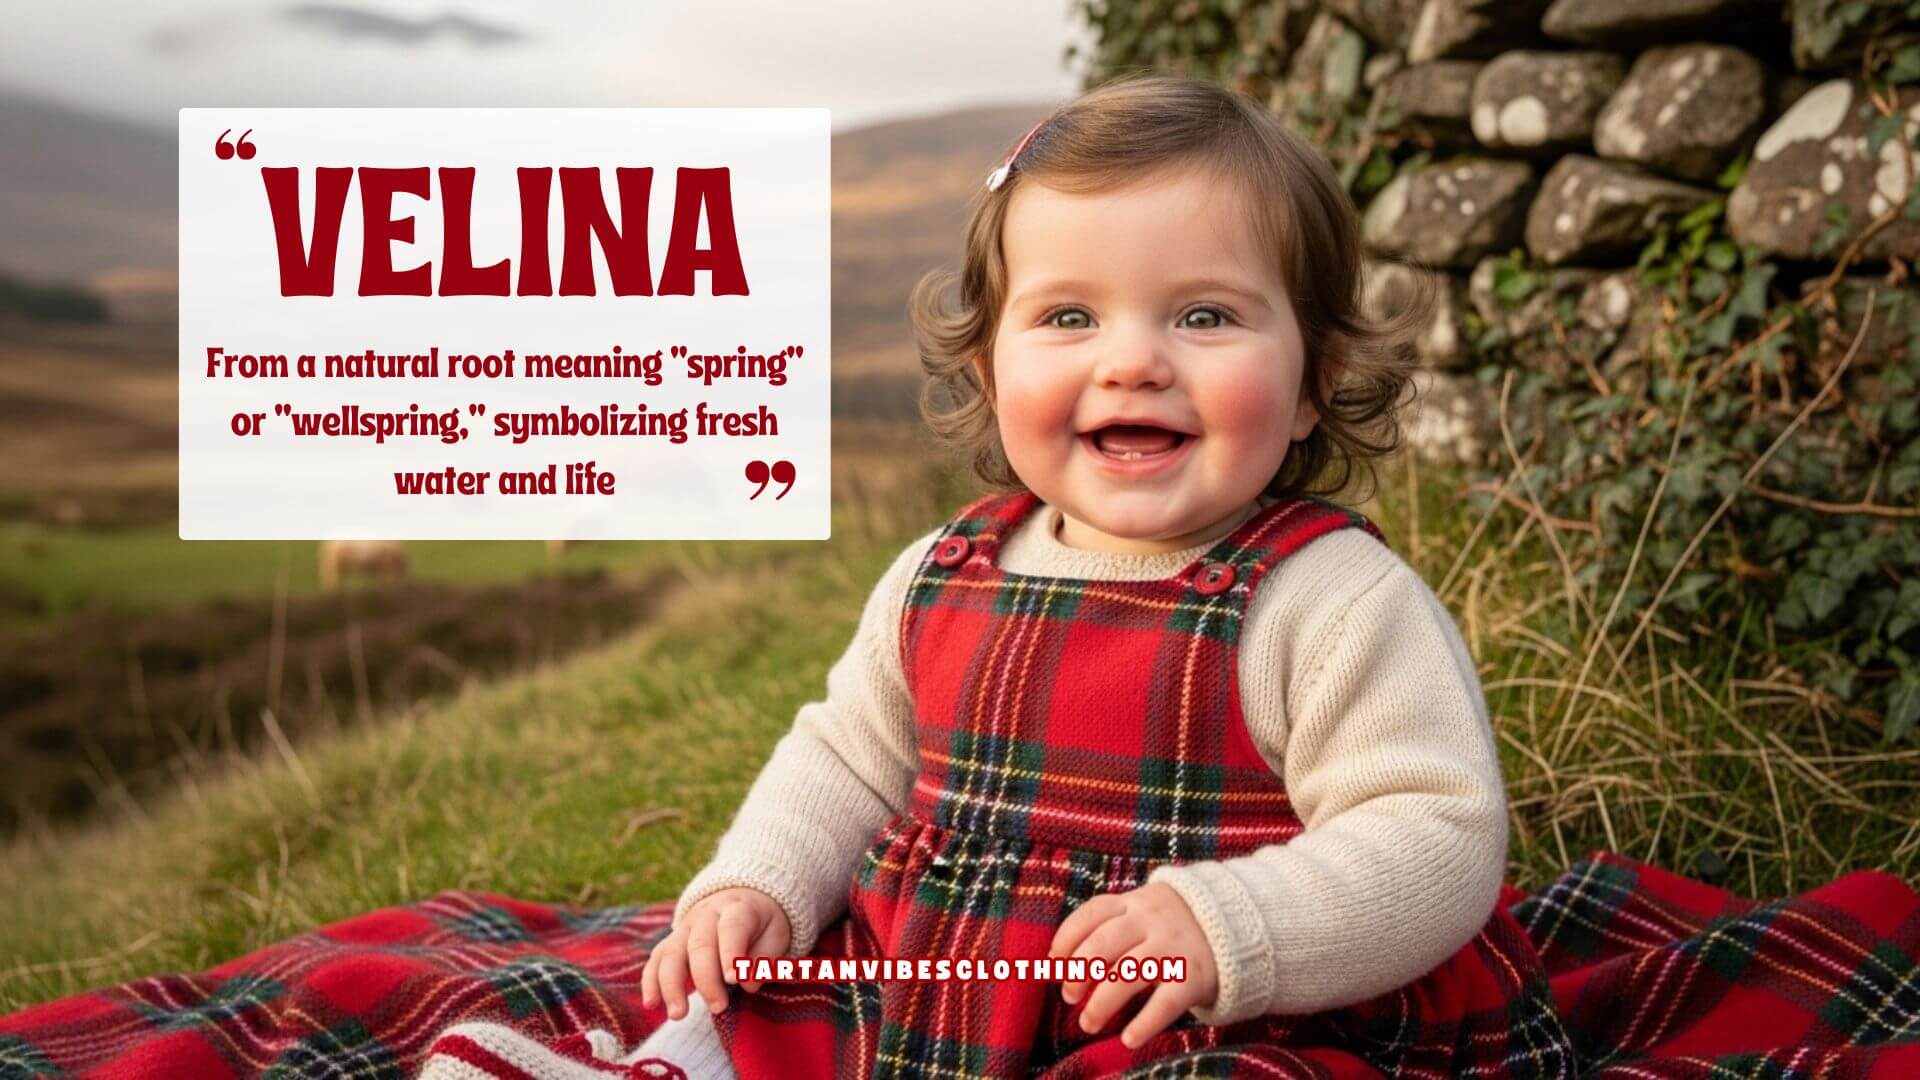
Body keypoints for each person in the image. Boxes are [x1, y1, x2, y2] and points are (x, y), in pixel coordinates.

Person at [626, 71, 1574, 1078]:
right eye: (1069, 317)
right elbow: (849, 763)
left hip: (1237, 1023)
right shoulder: (940, 578)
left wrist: (1230, 923)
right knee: (748, 1016)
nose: (1132, 362)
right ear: (991, 373)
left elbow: (1436, 835)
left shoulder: (1329, 601)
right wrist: (760, 886)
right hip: (953, 1002)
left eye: (1204, 317)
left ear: (1314, 383)